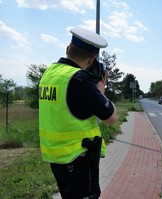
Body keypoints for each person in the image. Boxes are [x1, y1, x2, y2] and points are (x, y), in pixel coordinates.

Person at [39, 27, 117, 199]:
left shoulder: (49, 73)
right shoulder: (80, 80)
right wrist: (101, 90)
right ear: (92, 59)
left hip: (56, 157)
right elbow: (110, 117)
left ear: (68, 49)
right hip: (77, 158)